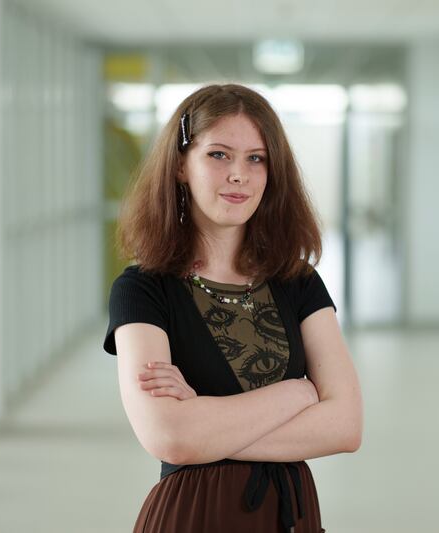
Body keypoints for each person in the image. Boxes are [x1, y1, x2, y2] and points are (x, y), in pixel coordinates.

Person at [103, 83, 363, 533]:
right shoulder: (143, 290)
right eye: (219, 155)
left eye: (255, 158)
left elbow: (345, 426)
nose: (238, 174)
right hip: (194, 516)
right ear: (182, 165)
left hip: (292, 517)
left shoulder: (297, 280)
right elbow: (169, 438)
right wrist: (296, 395)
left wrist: (206, 420)